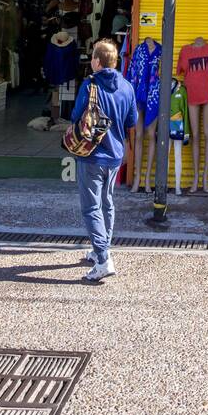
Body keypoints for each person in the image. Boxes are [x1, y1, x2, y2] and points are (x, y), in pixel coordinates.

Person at [72, 38, 138, 282]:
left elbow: (76, 115)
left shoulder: (90, 86)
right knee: (107, 202)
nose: (91, 61)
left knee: (91, 207)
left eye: (92, 57)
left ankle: (102, 258)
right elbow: (132, 122)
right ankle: (102, 248)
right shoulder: (127, 87)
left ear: (97, 62)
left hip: (92, 154)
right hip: (115, 155)